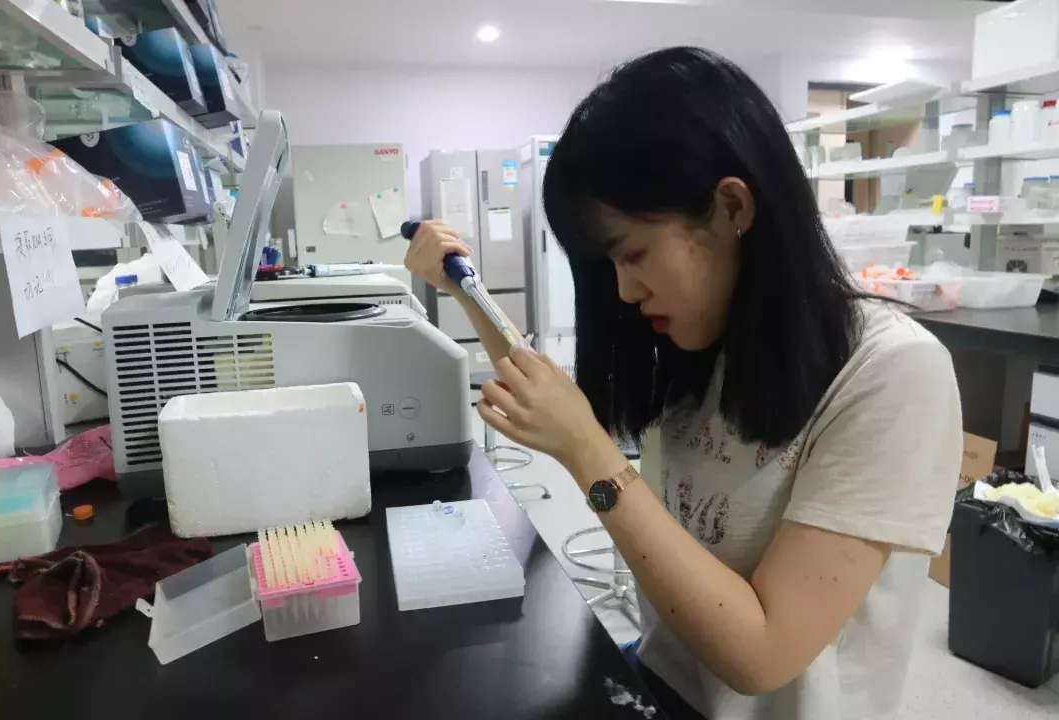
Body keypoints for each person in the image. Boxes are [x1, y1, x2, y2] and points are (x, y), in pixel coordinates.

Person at [404, 46, 962, 720]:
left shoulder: (891, 373)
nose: (624, 291)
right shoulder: (705, 339)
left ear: (731, 207)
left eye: (634, 254)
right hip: (661, 685)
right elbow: (551, 394)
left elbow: (761, 656)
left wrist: (589, 455)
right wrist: (463, 290)